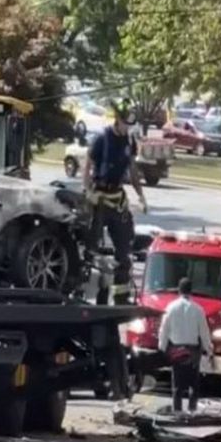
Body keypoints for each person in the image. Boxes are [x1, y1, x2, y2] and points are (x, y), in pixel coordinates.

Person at [82, 98, 148, 305]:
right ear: (117, 119)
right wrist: (88, 191)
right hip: (100, 197)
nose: (127, 128)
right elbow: (87, 166)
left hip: (117, 198)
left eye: (130, 125)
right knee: (92, 248)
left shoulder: (129, 141)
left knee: (124, 251)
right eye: (124, 124)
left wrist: (141, 195)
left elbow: (133, 170)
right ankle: (88, 294)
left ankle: (121, 296)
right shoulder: (103, 138)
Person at [158, 277, 213, 413]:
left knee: (177, 383)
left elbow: (164, 330)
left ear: (179, 290)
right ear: (191, 291)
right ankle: (192, 410)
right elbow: (204, 333)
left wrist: (162, 348)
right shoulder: (198, 310)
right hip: (193, 351)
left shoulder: (170, 308)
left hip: (176, 350)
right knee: (193, 383)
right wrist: (209, 350)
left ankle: (177, 411)